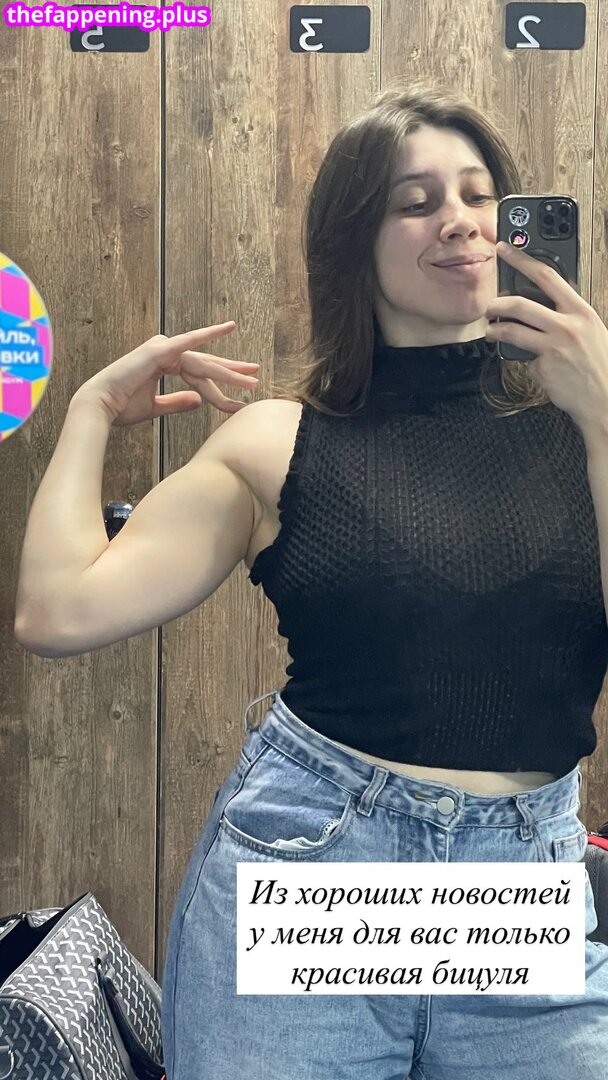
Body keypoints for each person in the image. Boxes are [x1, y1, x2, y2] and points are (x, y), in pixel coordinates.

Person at [14, 82, 608, 1078]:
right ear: (351, 243)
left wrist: (603, 416)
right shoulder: (277, 443)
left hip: (519, 888)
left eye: (478, 195)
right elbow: (56, 611)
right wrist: (90, 412)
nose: (458, 220)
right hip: (318, 863)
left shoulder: (583, 431)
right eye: (415, 202)